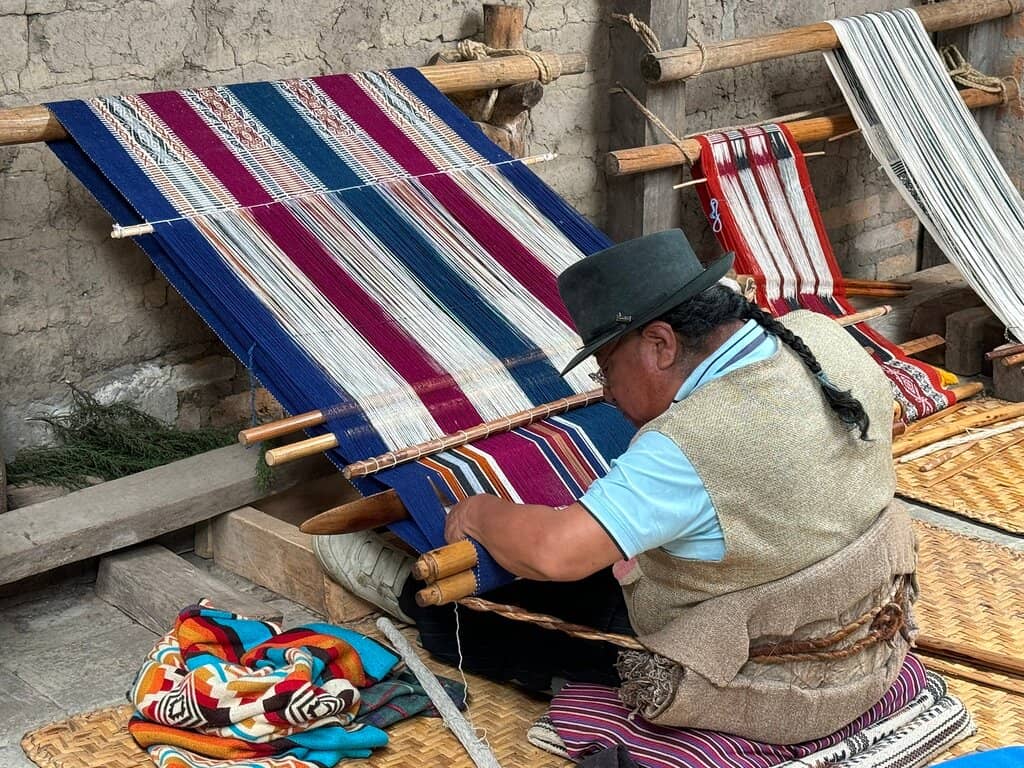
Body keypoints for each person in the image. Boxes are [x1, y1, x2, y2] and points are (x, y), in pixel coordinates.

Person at [316, 229, 917, 743]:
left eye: (607, 368)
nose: (605, 392)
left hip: (764, 664)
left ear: (660, 344)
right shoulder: (821, 337)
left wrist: (476, 512)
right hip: (864, 622)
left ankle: (397, 587)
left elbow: (555, 553)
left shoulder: (690, 443)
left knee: (470, 618)